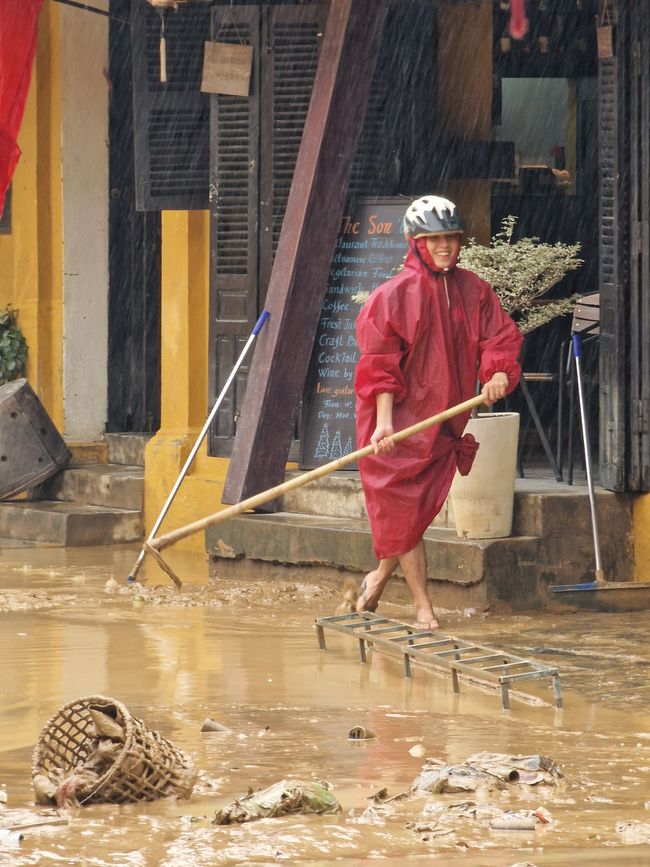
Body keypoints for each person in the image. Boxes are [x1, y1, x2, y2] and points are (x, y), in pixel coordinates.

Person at [353, 195, 523, 629]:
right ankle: (423, 605)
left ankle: (377, 578)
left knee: (411, 513)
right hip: (392, 423)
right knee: (403, 509)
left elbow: (498, 338)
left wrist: (497, 372)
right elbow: (379, 366)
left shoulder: (474, 290)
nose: (445, 246)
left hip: (444, 418)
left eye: (451, 238)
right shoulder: (392, 296)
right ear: (415, 243)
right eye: (434, 239)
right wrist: (386, 424)